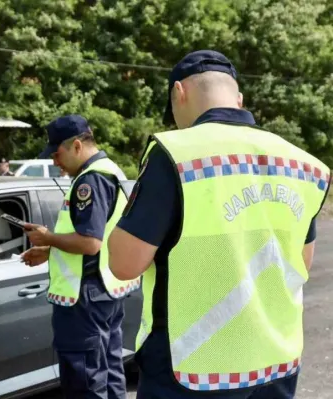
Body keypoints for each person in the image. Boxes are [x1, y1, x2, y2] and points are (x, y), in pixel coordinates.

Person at [107, 50, 330, 399]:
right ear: (238, 97)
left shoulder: (176, 154)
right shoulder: (304, 165)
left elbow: (123, 265)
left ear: (179, 92)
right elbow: (300, 263)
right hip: (276, 364)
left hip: (194, 371)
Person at [20, 115, 140, 399]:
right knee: (109, 373)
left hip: (83, 298)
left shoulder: (91, 180)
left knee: (85, 381)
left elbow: (90, 243)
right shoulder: (110, 171)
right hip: (103, 291)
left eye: (56, 154)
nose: (54, 162)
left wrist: (48, 237)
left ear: (76, 145)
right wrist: (50, 251)